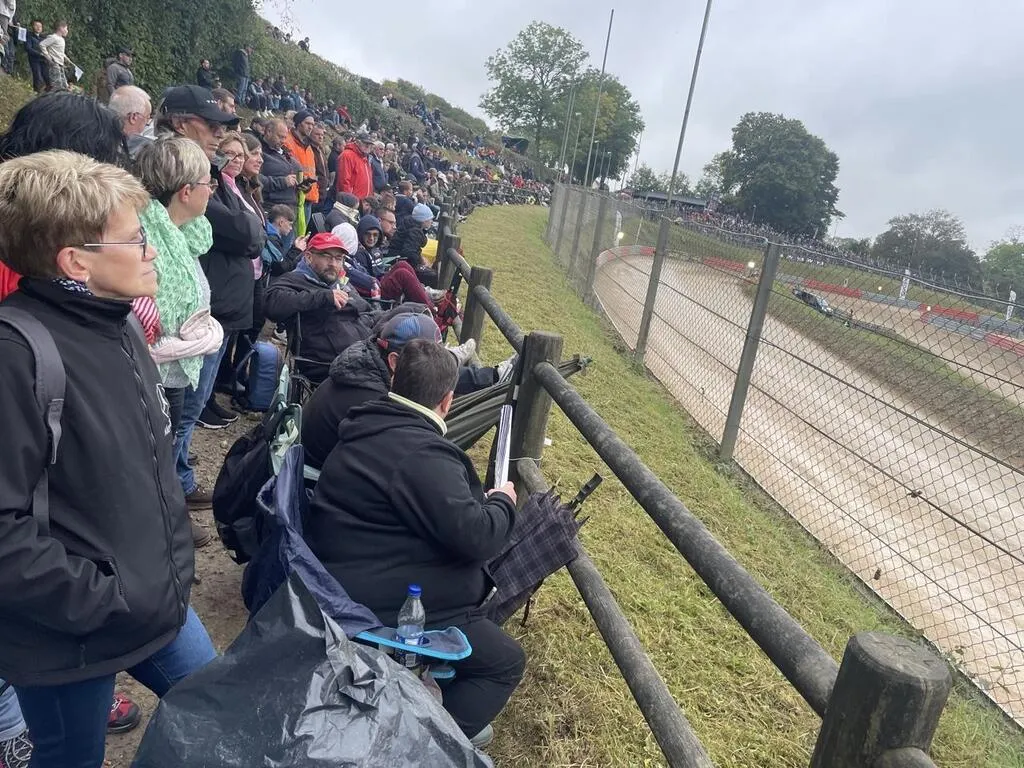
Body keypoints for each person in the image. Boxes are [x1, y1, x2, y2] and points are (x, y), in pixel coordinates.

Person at [0, 149, 217, 767]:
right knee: (72, 758)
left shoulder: (119, 326)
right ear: (76, 262)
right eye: (134, 238)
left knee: (220, 707)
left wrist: (167, 567)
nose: (152, 250)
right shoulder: (15, 356)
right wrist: (101, 598)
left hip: (155, 603)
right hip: (72, 630)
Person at [305, 339, 523, 745]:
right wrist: (503, 502)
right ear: (448, 400)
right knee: (505, 662)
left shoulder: (368, 424)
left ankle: (417, 704)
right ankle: (421, 744)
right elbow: (480, 536)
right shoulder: (421, 454)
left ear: (395, 377)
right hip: (379, 603)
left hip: (343, 571)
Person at [132, 135, 222, 547]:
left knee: (170, 446)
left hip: (180, 364)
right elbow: (156, 313)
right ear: (186, 191)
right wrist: (197, 333)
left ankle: (167, 519)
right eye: (207, 183)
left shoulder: (185, 233)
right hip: (158, 368)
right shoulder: (148, 236)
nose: (212, 190)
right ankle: (159, 536)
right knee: (154, 454)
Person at [264, 231, 377, 382]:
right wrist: (324, 297)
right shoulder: (295, 279)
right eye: (326, 256)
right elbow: (271, 303)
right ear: (309, 257)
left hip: (364, 352)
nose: (333, 264)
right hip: (333, 364)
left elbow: (366, 309)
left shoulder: (340, 283)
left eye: (339, 258)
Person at [282, 110, 319, 220]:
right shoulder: (288, 141)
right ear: (298, 123)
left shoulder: (309, 147)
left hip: (308, 197)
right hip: (295, 196)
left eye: (312, 124)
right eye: (307, 123)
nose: (310, 127)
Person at [258, 118, 300, 210]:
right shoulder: (258, 152)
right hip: (271, 207)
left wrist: (303, 185)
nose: (283, 141)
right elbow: (255, 178)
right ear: (269, 132)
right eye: (280, 137)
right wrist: (283, 182)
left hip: (290, 207)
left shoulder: (286, 153)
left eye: (285, 137)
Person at [108, 85, 152, 158]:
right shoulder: (144, 151)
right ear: (133, 117)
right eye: (146, 119)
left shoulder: (91, 134)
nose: (146, 124)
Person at [337, 130, 373, 199]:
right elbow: (344, 181)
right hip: (352, 201)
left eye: (370, 144)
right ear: (358, 142)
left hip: (363, 201)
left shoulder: (365, 158)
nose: (368, 146)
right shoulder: (347, 155)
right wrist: (349, 200)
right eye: (366, 144)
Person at [39, 20, 69, 92]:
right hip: (54, 63)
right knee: (57, 85)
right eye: (66, 28)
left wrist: (66, 58)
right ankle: (51, 96)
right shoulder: (53, 37)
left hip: (60, 64)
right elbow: (42, 44)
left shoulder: (61, 39)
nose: (67, 31)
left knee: (64, 84)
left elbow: (59, 51)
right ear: (61, 28)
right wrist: (47, 56)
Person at [25, 19, 49, 93]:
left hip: (44, 60)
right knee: (37, 76)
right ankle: (36, 93)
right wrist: (39, 54)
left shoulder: (44, 38)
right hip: (34, 60)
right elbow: (28, 48)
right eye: (36, 26)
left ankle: (47, 94)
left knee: (47, 77)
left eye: (40, 26)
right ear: (32, 26)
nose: (38, 28)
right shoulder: (29, 36)